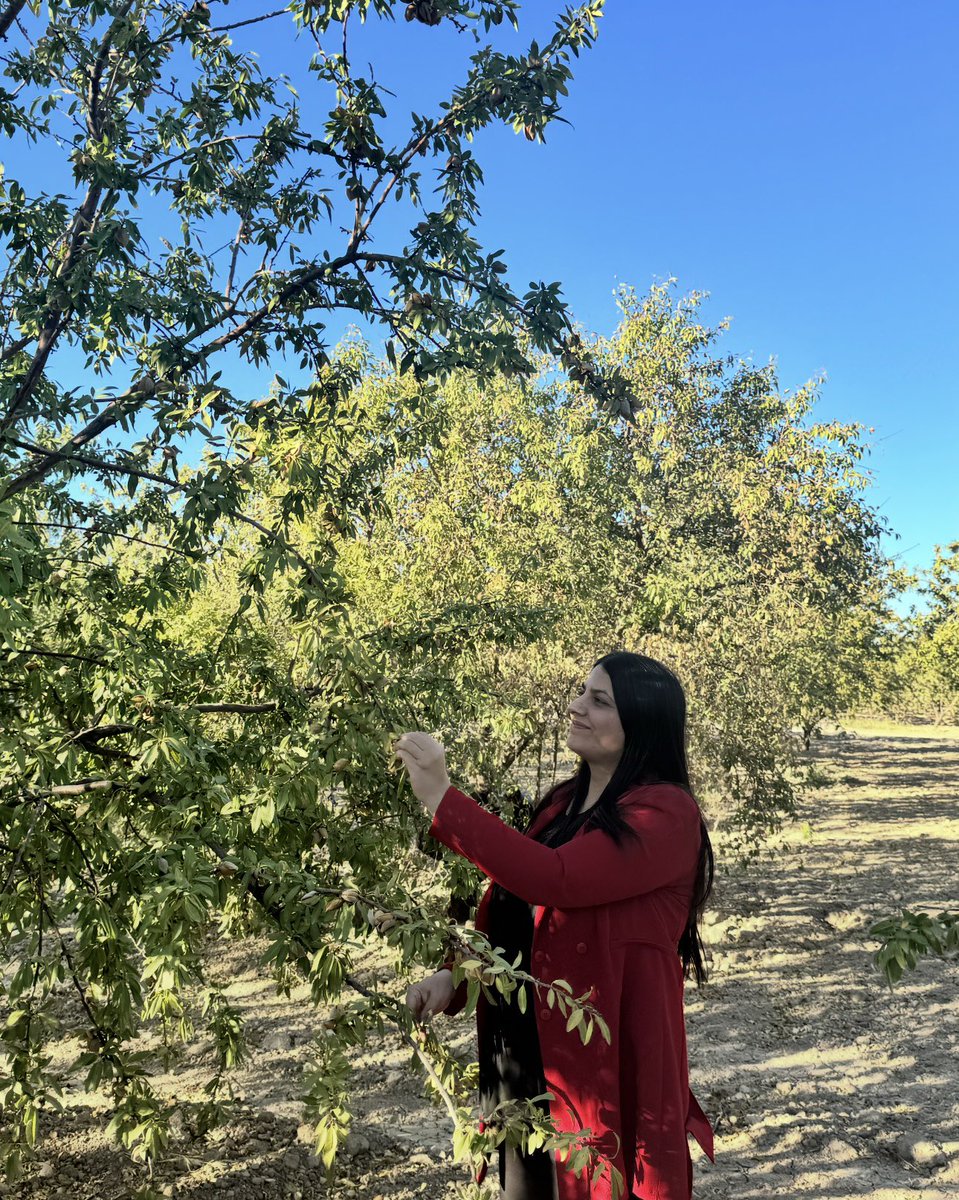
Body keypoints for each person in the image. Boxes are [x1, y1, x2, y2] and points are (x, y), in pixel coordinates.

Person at [397, 651, 716, 1200]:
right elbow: (513, 908)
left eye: (600, 700)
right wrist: (458, 978)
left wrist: (441, 799)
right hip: (522, 1050)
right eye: (582, 692)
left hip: (602, 1058)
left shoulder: (665, 814)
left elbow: (555, 879)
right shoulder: (561, 804)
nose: (577, 707)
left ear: (642, 721)